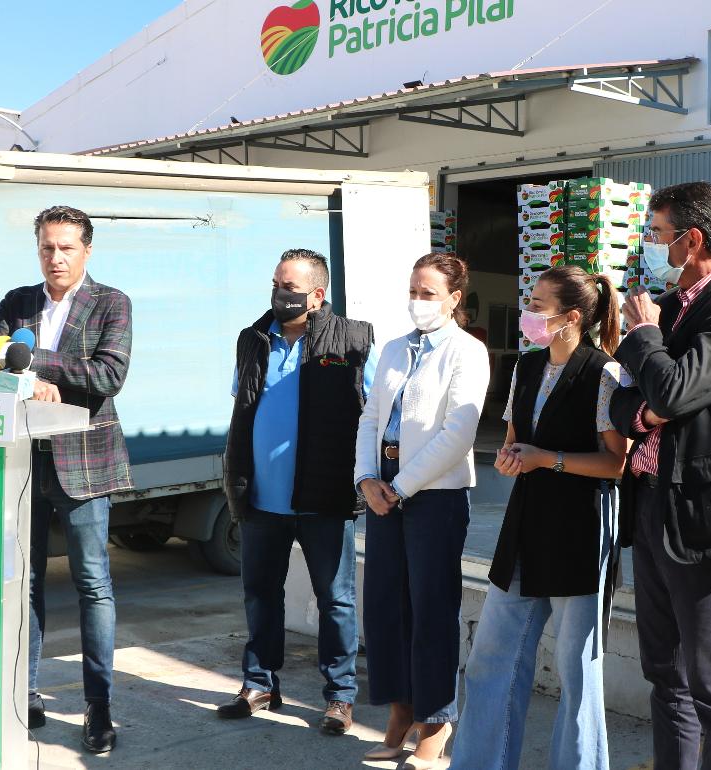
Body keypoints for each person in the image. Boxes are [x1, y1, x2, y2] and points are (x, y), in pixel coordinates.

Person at [610, 181, 711, 770]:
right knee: (665, 673)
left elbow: (676, 390)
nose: (651, 247)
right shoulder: (675, 300)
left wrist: (645, 339)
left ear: (693, 238)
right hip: (653, 503)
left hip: (705, 518)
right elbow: (626, 402)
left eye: (657, 235)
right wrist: (646, 404)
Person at [450, 266, 629, 770]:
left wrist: (545, 458)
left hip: (580, 525)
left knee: (577, 670)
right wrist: (512, 459)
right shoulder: (526, 368)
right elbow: (511, 444)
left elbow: (615, 463)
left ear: (571, 317)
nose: (526, 313)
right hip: (526, 522)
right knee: (491, 659)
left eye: (536, 304)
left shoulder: (605, 372)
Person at [0, 205, 133, 754]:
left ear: (86, 250)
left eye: (67, 247)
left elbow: (109, 375)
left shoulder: (110, 303)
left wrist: (37, 367)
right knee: (22, 583)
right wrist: (27, 379)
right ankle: (25, 694)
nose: (56, 257)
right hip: (22, 461)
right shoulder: (18, 301)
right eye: (48, 247)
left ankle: (98, 707)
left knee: (92, 584)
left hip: (84, 462)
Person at [220, 248, 376, 736]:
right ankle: (259, 682)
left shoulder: (352, 341)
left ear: (317, 293)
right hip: (261, 498)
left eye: (289, 287)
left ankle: (339, 696)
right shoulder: (254, 339)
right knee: (260, 595)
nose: (279, 294)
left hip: (323, 497)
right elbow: (242, 408)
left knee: (336, 600)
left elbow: (375, 415)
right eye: (275, 284)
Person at [353, 253, 490, 769]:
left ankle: (436, 719)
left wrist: (402, 486)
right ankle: (400, 710)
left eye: (430, 293)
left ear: (455, 299)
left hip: (433, 496)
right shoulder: (392, 349)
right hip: (383, 493)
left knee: (432, 611)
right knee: (386, 609)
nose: (418, 301)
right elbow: (371, 416)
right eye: (414, 290)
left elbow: (458, 433)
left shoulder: (467, 352)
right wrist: (368, 479)